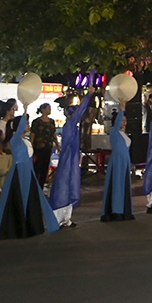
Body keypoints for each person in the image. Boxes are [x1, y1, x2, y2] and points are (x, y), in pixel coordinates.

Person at [0, 112, 60, 239]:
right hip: (19, 173)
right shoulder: (15, 139)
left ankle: (31, 227)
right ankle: (20, 229)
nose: (28, 126)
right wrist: (25, 112)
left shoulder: (25, 141)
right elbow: (19, 131)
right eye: (26, 124)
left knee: (31, 199)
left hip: (28, 173)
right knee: (20, 199)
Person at [49, 93, 95, 228]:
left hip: (72, 160)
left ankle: (66, 218)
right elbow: (80, 112)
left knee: (72, 187)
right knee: (63, 187)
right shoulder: (69, 125)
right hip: (67, 160)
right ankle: (58, 219)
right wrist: (89, 94)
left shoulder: (73, 126)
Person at [100, 110, 134, 222]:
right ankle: (115, 211)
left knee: (123, 185)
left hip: (125, 162)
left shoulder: (125, 135)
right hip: (117, 162)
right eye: (122, 120)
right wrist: (122, 108)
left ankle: (124, 210)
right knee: (116, 185)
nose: (124, 123)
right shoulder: (114, 132)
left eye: (125, 121)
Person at [29, 103, 58, 189]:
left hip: (48, 146)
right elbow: (33, 134)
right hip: (38, 147)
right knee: (37, 166)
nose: (50, 110)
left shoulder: (51, 121)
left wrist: (57, 145)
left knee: (45, 167)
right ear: (43, 109)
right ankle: (34, 186)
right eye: (48, 108)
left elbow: (53, 134)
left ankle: (41, 186)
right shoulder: (37, 122)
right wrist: (31, 145)